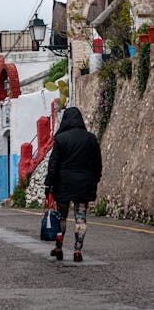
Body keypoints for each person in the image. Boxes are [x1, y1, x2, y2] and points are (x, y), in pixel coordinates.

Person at [44, 107, 102, 262]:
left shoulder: (61, 139)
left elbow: (53, 164)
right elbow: (97, 163)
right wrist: (95, 179)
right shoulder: (91, 138)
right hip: (84, 184)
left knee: (61, 217)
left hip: (63, 185)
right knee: (81, 218)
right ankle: (77, 250)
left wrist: (48, 184)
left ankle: (59, 247)